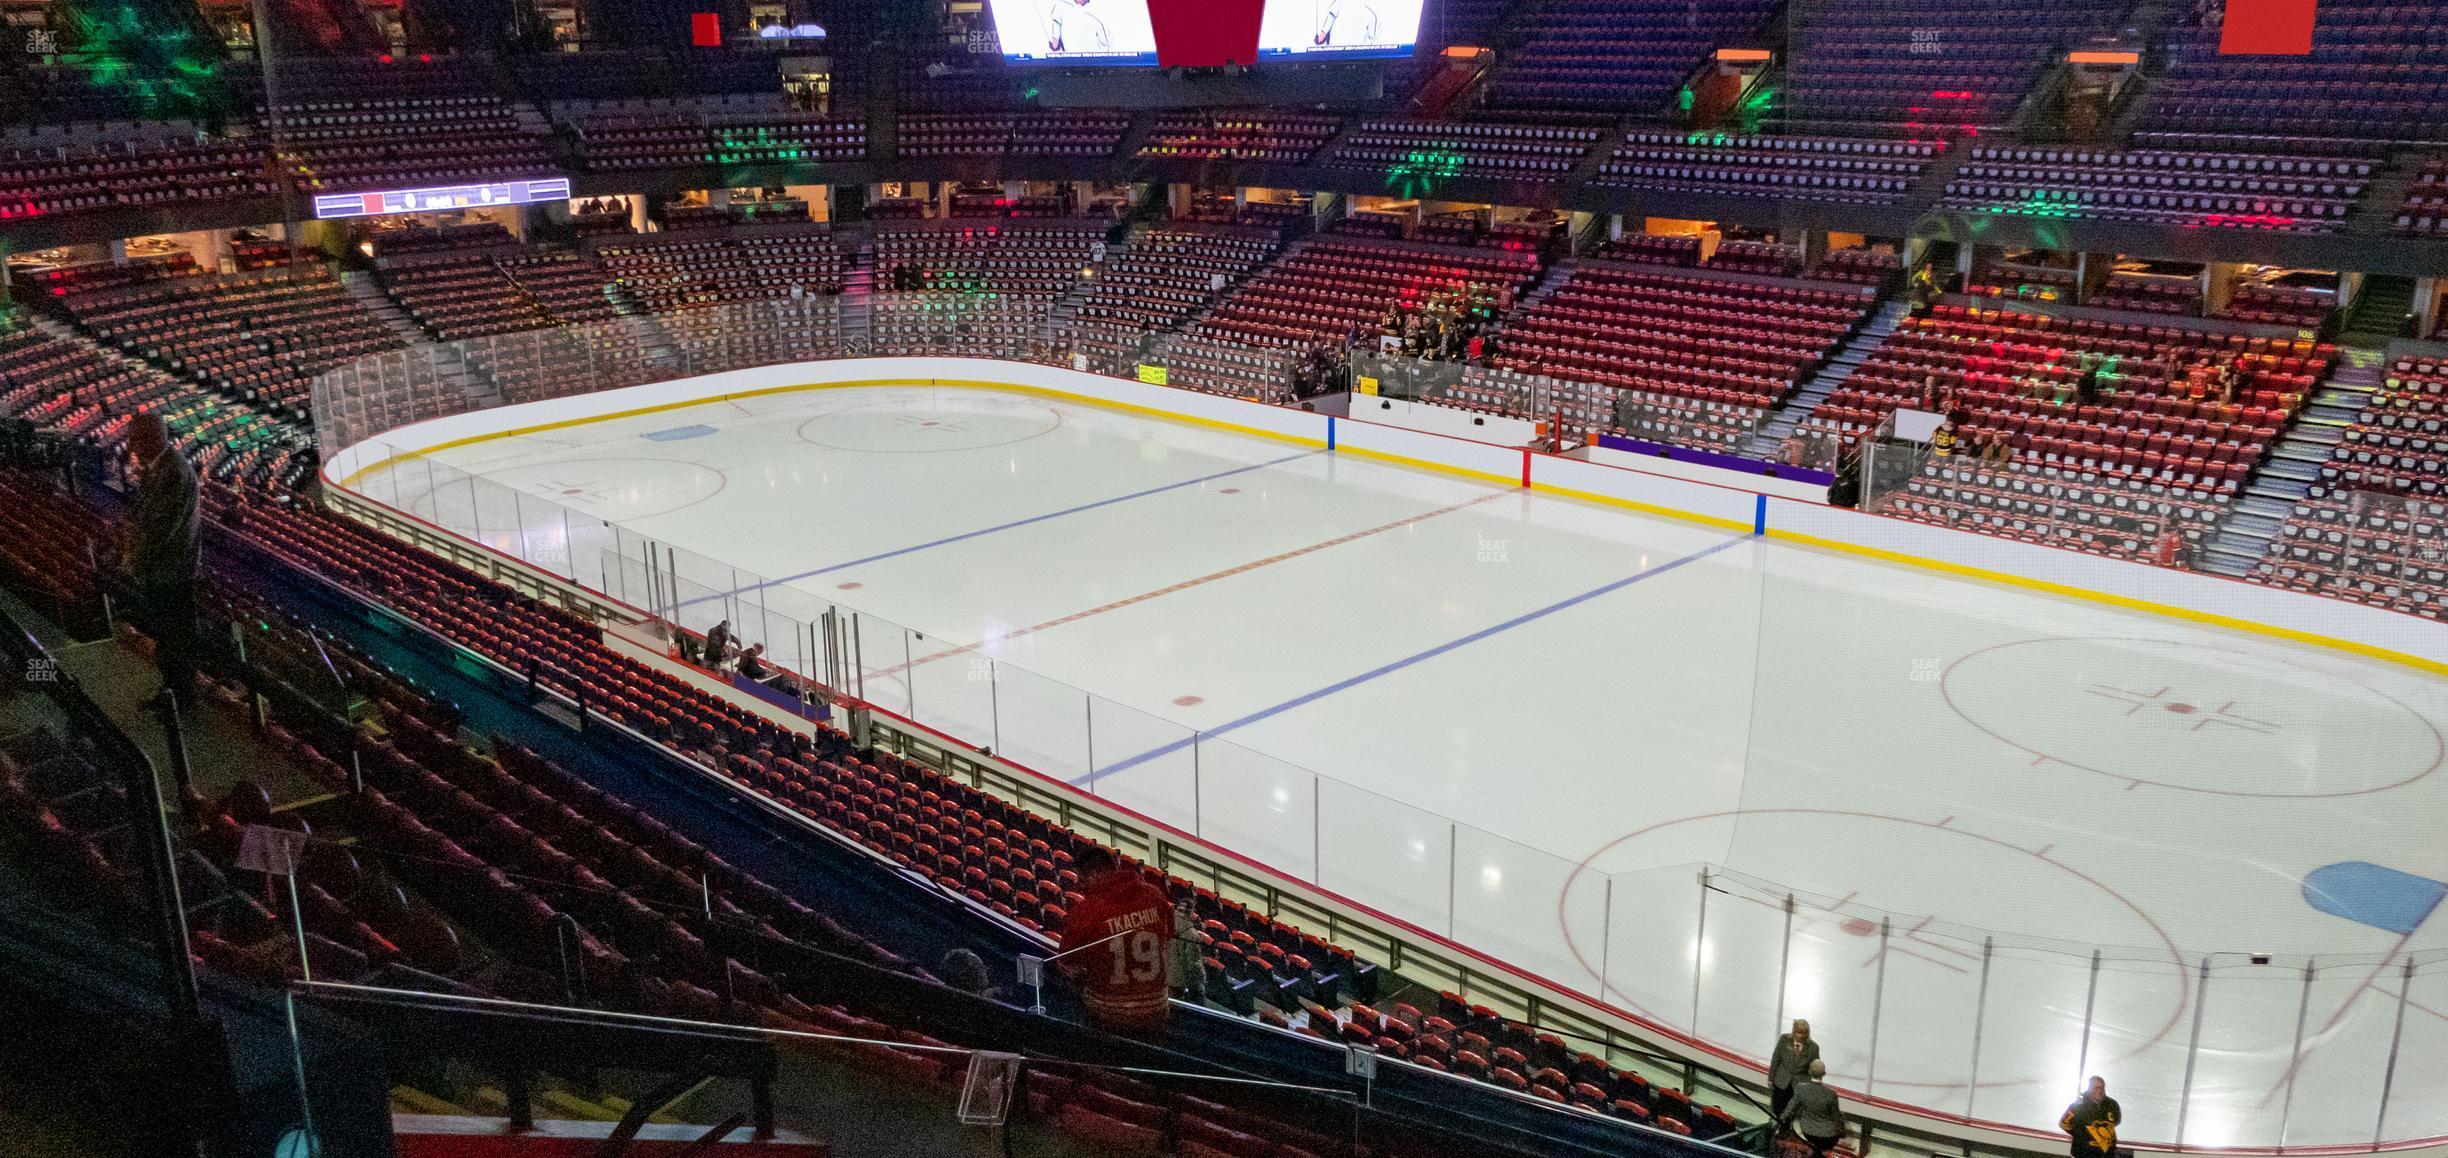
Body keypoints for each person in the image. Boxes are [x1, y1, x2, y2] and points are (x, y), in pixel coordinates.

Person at [122, 413, 201, 708]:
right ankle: (172, 692)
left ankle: (180, 698)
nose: (131, 445)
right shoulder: (161, 468)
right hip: (165, 571)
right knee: (168, 638)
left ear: (153, 438)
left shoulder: (173, 473)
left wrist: (133, 561)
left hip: (173, 573)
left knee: (175, 638)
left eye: (135, 438)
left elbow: (161, 530)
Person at [1056, 846, 1174, 1034]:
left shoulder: (1086, 912)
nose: (1079, 885)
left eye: (1082, 879)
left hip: (1109, 1016)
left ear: (1096, 874)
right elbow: (1167, 938)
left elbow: (1067, 963)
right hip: (1157, 1010)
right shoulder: (1155, 895)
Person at [1776, 1059, 1845, 1158]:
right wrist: (1842, 1131)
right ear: (1824, 1074)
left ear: (1809, 1072)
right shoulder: (1831, 1094)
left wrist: (1782, 1118)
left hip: (1809, 1132)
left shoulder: (1801, 1088)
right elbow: (1836, 1116)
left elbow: (1791, 1107)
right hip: (1829, 1135)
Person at [1768, 1019, 1820, 1118]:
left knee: (1791, 1114)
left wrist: (1810, 1087)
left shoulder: (1813, 1047)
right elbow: (1776, 1059)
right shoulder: (1784, 1039)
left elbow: (1814, 1069)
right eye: (1798, 1032)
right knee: (1777, 1110)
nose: (1801, 1036)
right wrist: (1770, 1078)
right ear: (1794, 1031)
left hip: (1798, 1086)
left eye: (1804, 1033)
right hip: (1781, 1082)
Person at [2061, 1076, 2122, 1158]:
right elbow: (2064, 1124)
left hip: (2107, 1154)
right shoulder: (2078, 1106)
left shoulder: (2112, 1104)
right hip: (2083, 1154)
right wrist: (2082, 1135)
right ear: (2089, 1089)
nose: (2100, 1091)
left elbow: (2116, 1120)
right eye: (2096, 1088)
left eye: (2102, 1088)